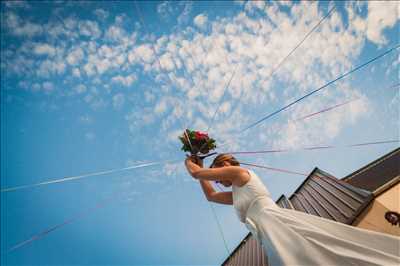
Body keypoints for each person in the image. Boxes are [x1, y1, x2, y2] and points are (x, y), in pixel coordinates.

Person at [184, 153, 400, 266]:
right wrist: (200, 169)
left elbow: (196, 174)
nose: (218, 182)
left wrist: (190, 162)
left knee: (311, 255)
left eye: (216, 175)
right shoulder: (237, 194)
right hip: (265, 233)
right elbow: (211, 196)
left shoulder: (240, 174)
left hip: (274, 222)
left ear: (224, 165)